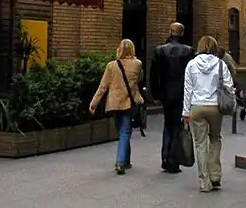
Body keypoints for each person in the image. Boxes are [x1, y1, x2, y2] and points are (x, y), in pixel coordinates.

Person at [182, 35, 234, 193]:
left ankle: (204, 181)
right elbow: (229, 86)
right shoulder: (221, 64)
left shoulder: (191, 64)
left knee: (200, 144)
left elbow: (188, 90)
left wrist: (185, 112)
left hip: (196, 106)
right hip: (215, 107)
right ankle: (215, 175)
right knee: (215, 139)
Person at [89, 39, 144, 175]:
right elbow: (139, 80)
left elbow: (103, 86)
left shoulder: (111, 66)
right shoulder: (137, 64)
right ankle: (121, 162)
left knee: (123, 131)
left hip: (113, 104)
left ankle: (125, 161)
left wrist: (94, 103)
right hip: (128, 102)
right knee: (125, 132)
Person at [150, 22, 194, 173]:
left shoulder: (159, 51)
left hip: (166, 94)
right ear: (182, 33)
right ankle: (173, 160)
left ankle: (165, 157)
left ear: (170, 32)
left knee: (167, 125)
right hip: (182, 93)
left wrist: (156, 94)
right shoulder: (189, 51)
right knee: (177, 126)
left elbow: (154, 75)